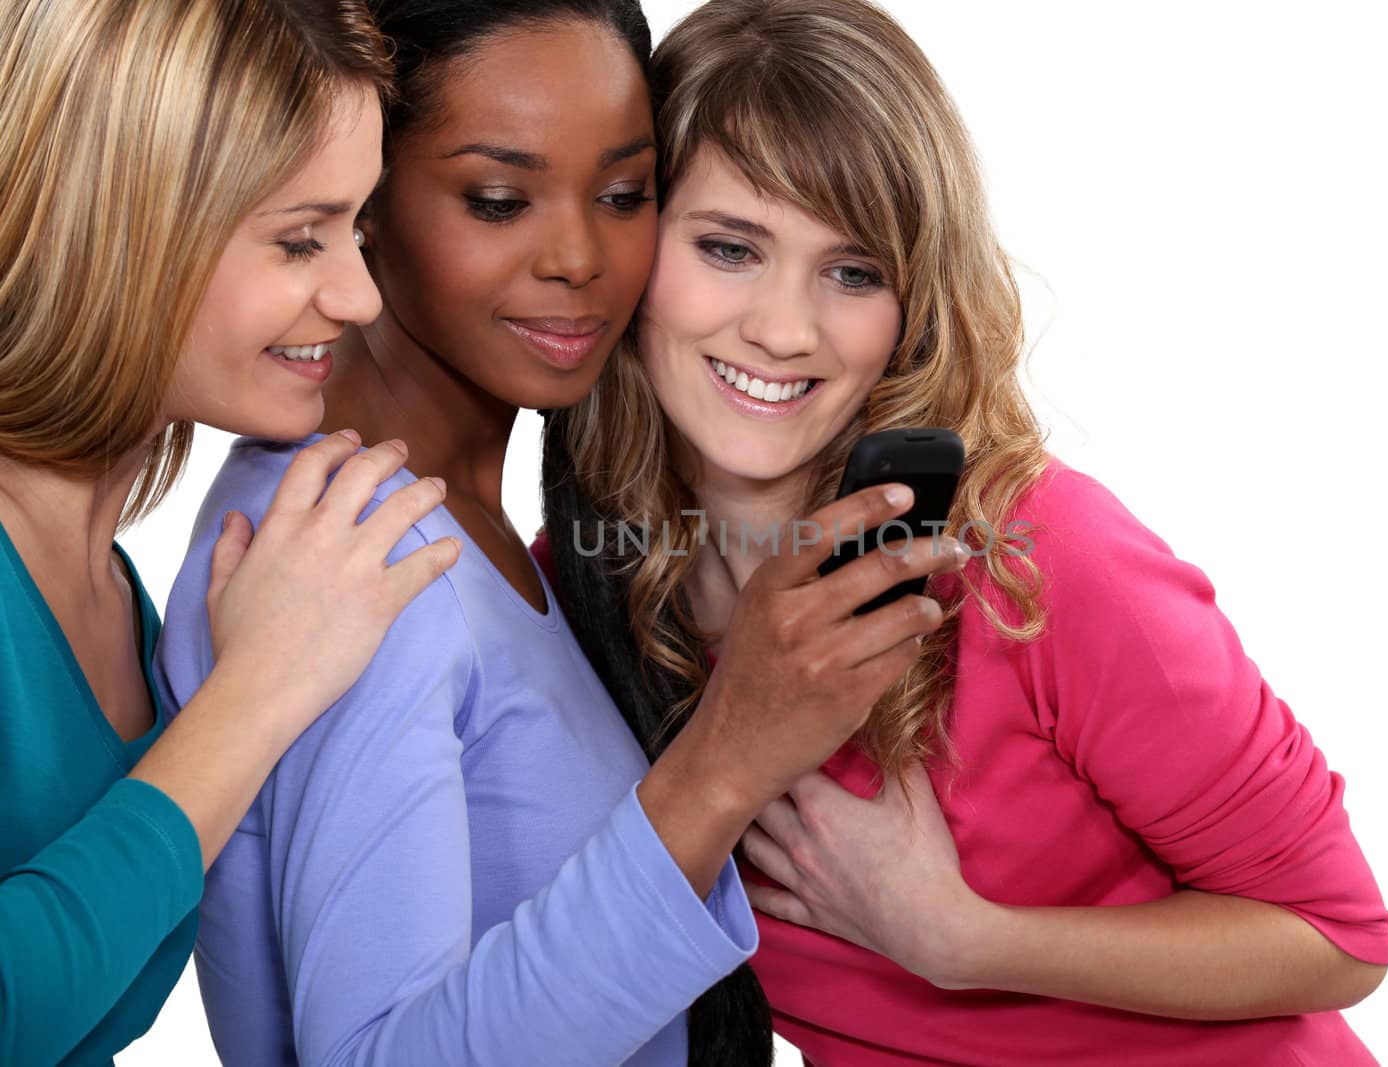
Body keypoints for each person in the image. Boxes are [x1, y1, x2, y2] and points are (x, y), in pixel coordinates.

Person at [539, 0, 1388, 1063]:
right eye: (729, 246)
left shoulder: (1039, 558)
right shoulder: (580, 602)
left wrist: (964, 939)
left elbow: (1336, 936)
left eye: (853, 272)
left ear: (915, 301)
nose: (782, 327)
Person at [154, 2, 962, 1065]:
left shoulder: (482, 529)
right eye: (499, 200)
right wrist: (720, 764)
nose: (580, 256)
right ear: (364, 198)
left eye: (625, 194)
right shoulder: (357, 553)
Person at [0, 2, 462, 1065]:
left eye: (356, 227)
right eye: (301, 237)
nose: (355, 293)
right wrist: (260, 693)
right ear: (122, 226)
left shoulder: (114, 590)